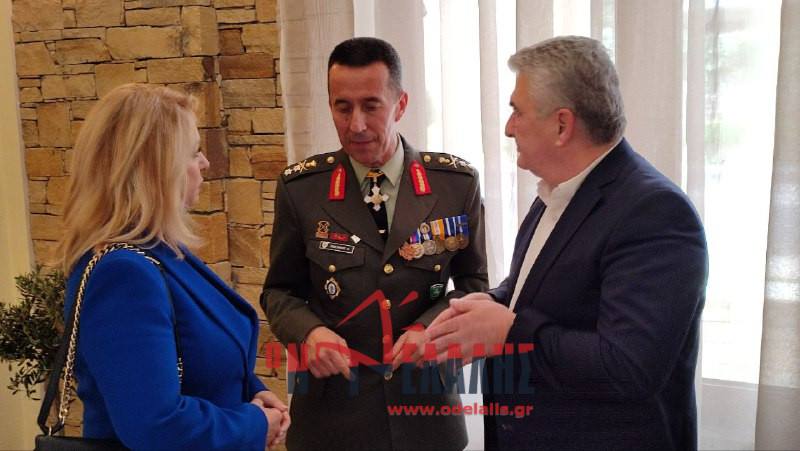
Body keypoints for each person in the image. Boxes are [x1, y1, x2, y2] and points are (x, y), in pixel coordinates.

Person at [426, 36, 709, 450]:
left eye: (517, 111)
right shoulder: (556, 192)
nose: (508, 128)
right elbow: (537, 289)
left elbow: (628, 367)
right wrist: (489, 304)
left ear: (562, 125)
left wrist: (508, 331)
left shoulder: (654, 212)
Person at [261, 37, 488, 449]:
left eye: (371, 106)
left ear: (400, 105)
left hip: (427, 410)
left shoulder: (455, 184)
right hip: (332, 412)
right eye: (342, 107)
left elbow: (474, 285)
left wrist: (429, 328)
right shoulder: (302, 189)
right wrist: (309, 333)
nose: (356, 125)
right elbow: (280, 291)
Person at [56, 83, 290, 450]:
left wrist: (251, 392)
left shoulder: (157, 250)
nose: (205, 163)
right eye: (194, 152)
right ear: (156, 168)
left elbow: (196, 358)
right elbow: (156, 425)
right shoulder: (124, 274)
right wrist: (254, 423)